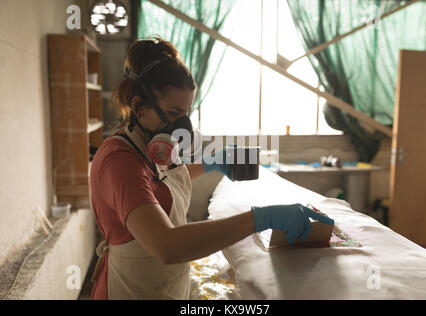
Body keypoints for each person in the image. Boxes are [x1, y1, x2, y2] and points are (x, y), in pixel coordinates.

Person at [89, 36, 334, 300]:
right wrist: (261, 218)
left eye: (185, 114)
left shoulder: (148, 144)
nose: (180, 125)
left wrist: (212, 162)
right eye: (173, 114)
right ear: (139, 107)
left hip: (161, 286)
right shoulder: (120, 162)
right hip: (130, 290)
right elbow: (167, 245)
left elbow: (162, 182)